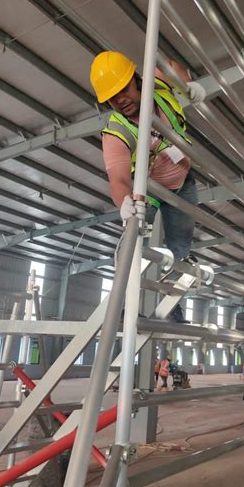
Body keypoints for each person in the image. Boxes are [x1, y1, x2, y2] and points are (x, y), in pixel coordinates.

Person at [90, 51, 206, 323]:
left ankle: (173, 304)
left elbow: (171, 64)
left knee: (181, 246)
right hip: (147, 189)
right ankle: (123, 303)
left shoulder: (160, 89)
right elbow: (118, 177)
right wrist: (124, 203)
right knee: (131, 241)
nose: (120, 100)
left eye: (124, 90)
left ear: (136, 79)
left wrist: (186, 85)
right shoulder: (116, 131)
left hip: (182, 183)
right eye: (112, 97)